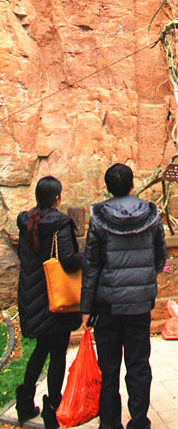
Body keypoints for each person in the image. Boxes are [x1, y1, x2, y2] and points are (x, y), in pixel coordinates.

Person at [80, 163, 167, 429]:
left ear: (108, 188)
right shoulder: (151, 215)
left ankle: (110, 424)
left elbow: (91, 265)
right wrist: (143, 280)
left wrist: (85, 308)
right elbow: (159, 257)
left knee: (109, 369)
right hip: (139, 305)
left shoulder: (98, 218)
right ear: (132, 185)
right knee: (139, 365)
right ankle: (139, 422)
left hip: (107, 305)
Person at [16, 176, 82, 428]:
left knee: (41, 348)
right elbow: (67, 259)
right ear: (57, 198)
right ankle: (52, 408)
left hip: (32, 296)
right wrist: (89, 258)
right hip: (56, 297)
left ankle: (23, 404)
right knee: (57, 353)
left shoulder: (26, 221)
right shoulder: (59, 224)